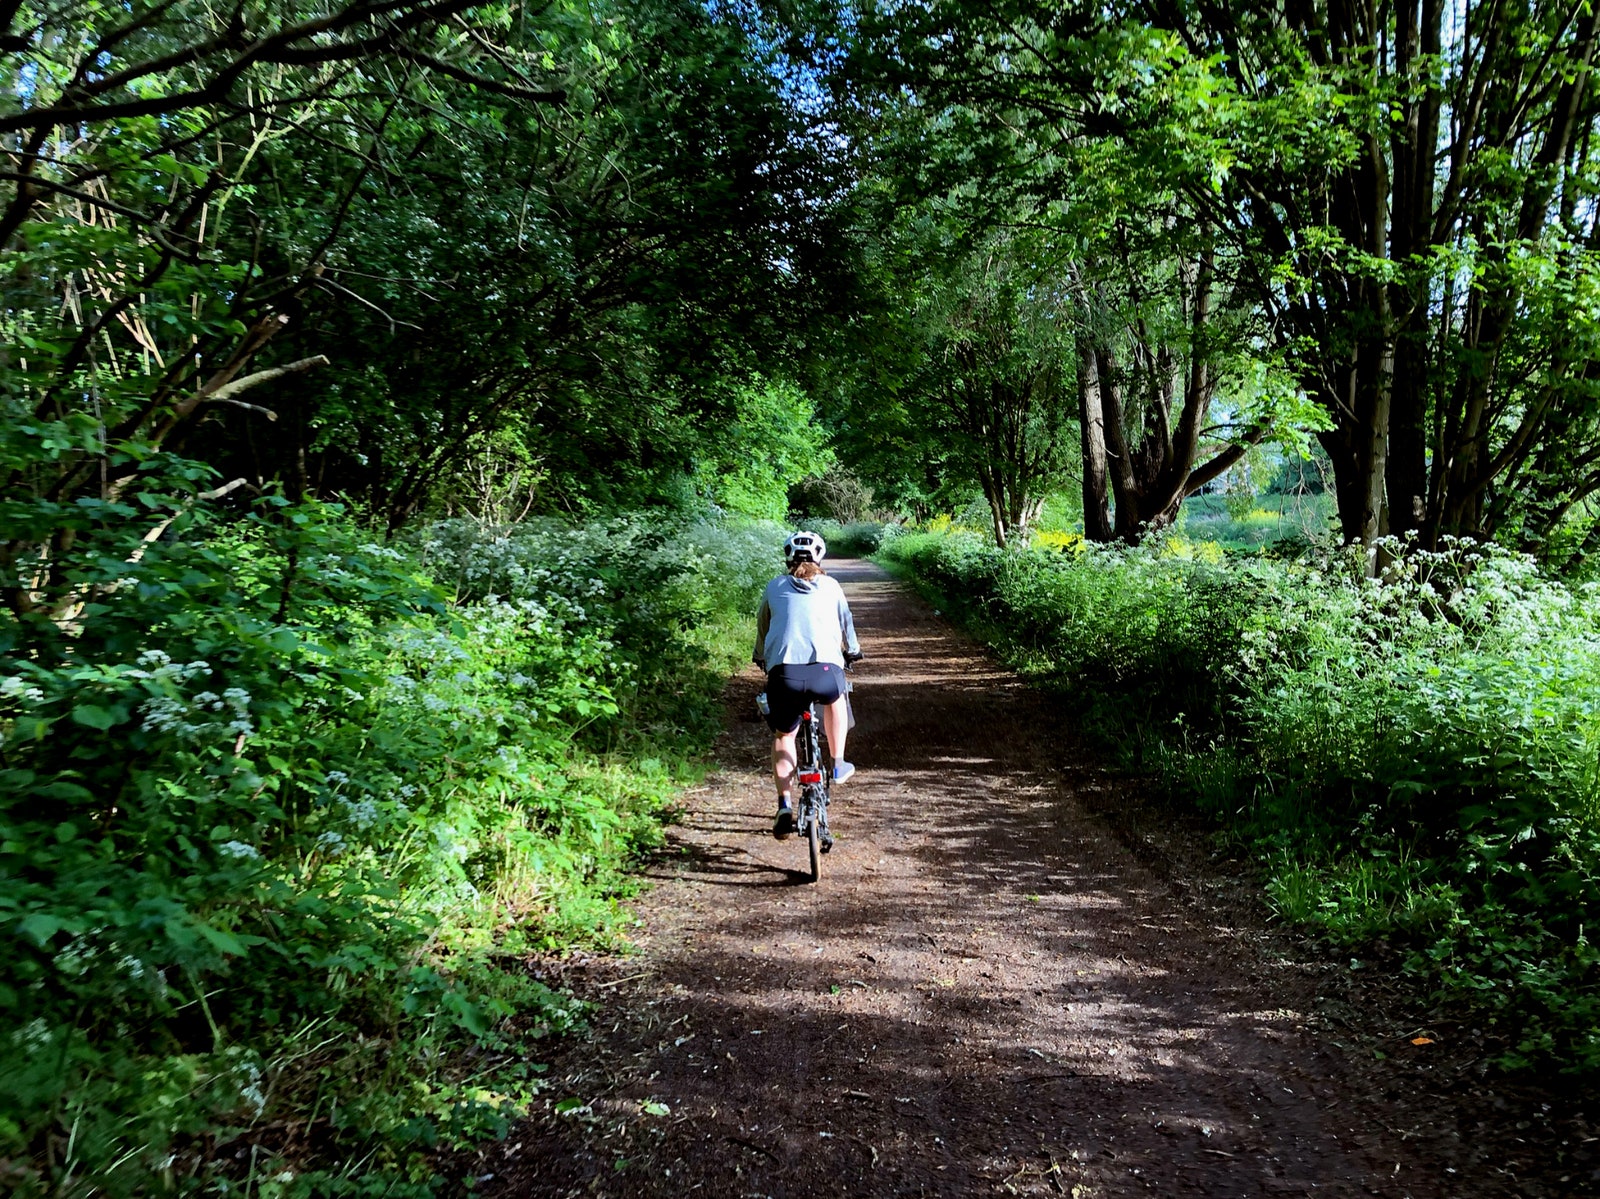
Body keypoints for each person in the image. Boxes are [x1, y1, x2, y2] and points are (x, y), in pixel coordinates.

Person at [753, 530, 863, 839]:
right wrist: (852, 650)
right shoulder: (830, 586)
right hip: (825, 671)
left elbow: (764, 625)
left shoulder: (775, 586)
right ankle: (838, 762)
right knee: (836, 696)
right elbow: (846, 621)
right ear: (820, 558)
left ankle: (784, 804)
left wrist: (760, 656)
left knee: (784, 733)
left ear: (788, 557)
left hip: (785, 675)